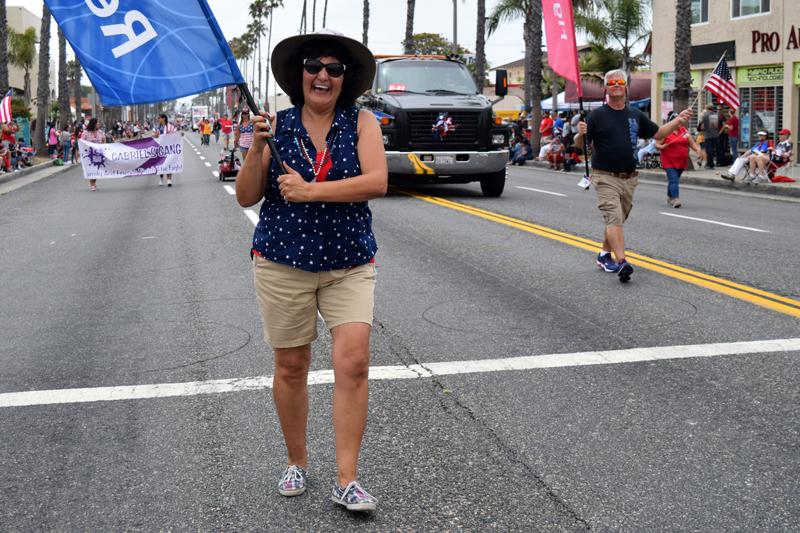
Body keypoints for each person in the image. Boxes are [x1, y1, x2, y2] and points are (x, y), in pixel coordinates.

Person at [236, 29, 387, 512]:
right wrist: (258, 150)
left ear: (346, 80)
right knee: (292, 364)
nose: (323, 75)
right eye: (314, 67)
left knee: (354, 362)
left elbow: (377, 181)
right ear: (298, 75)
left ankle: (348, 479)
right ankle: (296, 461)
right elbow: (245, 196)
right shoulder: (270, 124)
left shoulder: (362, 123)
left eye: (334, 69)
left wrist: (311, 190)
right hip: (284, 261)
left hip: (348, 261)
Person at [575, 69, 692, 283]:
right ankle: (622, 262)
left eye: (620, 82)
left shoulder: (635, 115)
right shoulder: (596, 116)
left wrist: (678, 121)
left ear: (626, 87)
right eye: (611, 83)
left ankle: (603, 254)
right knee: (613, 216)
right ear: (606, 89)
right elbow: (579, 145)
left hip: (629, 178)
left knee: (619, 218)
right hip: (604, 176)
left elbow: (657, 134)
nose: (616, 85)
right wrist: (579, 133)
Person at [655, 111, 702, 208]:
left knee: (673, 180)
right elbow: (656, 144)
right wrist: (662, 146)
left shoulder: (684, 131)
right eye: (678, 121)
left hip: (681, 162)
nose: (680, 123)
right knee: (674, 179)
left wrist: (698, 150)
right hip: (669, 161)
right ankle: (675, 199)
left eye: (681, 121)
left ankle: (669, 196)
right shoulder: (666, 132)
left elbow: (692, 143)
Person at [80, 118, 105, 191]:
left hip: (99, 153)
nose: (99, 124)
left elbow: (104, 139)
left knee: (97, 169)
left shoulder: (100, 132)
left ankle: (94, 182)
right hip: (90, 154)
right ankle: (92, 184)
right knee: (92, 169)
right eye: (97, 123)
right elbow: (82, 142)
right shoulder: (86, 133)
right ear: (93, 124)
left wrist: (103, 145)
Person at [154, 113, 176, 187]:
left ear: (163, 118)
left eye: (159, 118)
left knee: (169, 163)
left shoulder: (170, 127)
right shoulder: (158, 127)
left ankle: (169, 180)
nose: (158, 119)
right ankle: (161, 178)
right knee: (160, 164)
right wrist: (155, 135)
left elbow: (175, 134)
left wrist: (180, 134)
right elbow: (155, 136)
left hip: (168, 148)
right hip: (160, 148)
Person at [699, 104, 720, 169]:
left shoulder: (705, 115)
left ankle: (710, 164)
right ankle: (712, 163)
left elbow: (702, 127)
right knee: (713, 150)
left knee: (709, 150)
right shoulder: (716, 115)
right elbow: (715, 126)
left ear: (707, 108)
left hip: (708, 135)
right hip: (715, 135)